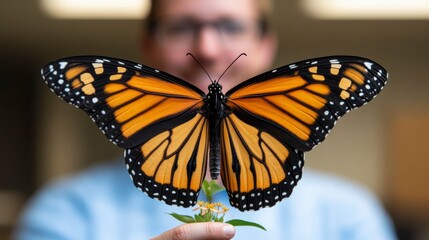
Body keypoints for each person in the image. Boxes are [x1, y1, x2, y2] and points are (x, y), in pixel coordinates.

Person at [15, 0, 397, 239]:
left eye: (230, 26)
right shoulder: (66, 210)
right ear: (148, 45)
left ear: (266, 45)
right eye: (181, 27)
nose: (208, 49)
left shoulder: (349, 214)